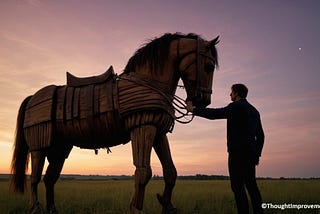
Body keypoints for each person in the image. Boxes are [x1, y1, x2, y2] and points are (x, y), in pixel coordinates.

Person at [187, 83, 264, 214]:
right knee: (252, 186)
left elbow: (215, 114)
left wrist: (193, 109)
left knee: (237, 187)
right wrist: (257, 154)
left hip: (237, 154)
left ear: (237, 93)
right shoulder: (255, 111)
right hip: (251, 154)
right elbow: (261, 136)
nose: (230, 95)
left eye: (231, 92)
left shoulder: (235, 107)